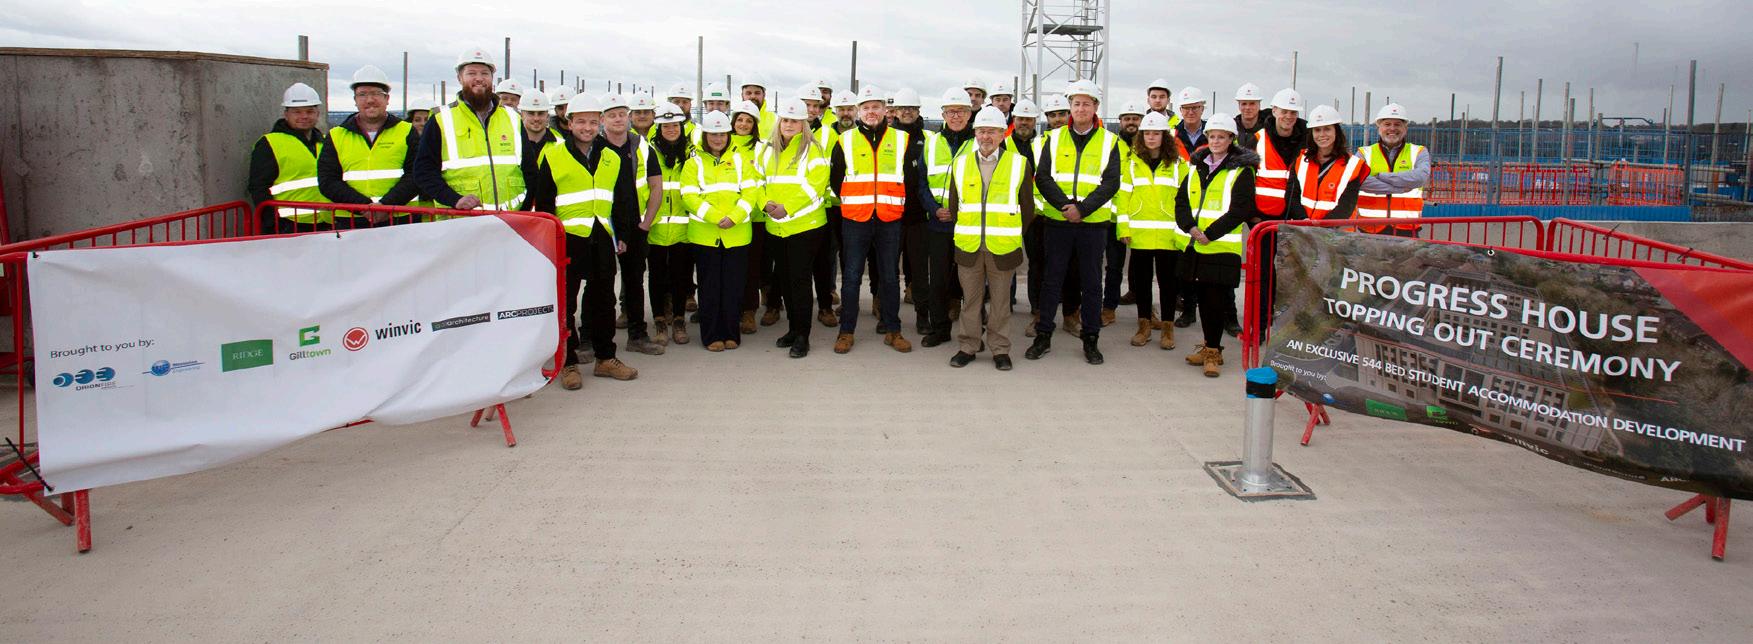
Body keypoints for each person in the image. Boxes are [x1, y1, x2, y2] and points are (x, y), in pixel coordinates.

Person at [525, 93, 639, 390]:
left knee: (604, 301)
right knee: (566, 304)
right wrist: (548, 241)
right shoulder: (553, 155)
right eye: (581, 122)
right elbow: (544, 203)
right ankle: (568, 362)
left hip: (601, 236)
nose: (587, 128)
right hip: (567, 238)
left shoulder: (611, 156)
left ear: (599, 122)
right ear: (569, 122)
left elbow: (622, 199)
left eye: (592, 122)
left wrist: (623, 235)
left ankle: (606, 358)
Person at [1025, 80, 1122, 366]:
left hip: (1093, 224)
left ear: (1095, 107)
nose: (1081, 108)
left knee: (1091, 283)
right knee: (1052, 280)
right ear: (1070, 107)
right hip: (1058, 222)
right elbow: (1043, 177)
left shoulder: (1110, 141)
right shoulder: (1053, 139)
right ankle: (1043, 335)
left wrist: (1083, 209)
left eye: (1086, 104)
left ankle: (1090, 338)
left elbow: (1111, 182)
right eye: (1076, 103)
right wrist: (1065, 207)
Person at [829, 85, 930, 354]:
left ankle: (893, 330)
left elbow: (911, 179)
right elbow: (836, 180)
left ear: (886, 110)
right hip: (855, 219)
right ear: (859, 111)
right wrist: (856, 201)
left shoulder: (901, 139)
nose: (871, 112)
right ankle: (846, 331)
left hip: (889, 218)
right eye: (866, 107)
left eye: (876, 107)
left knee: (889, 277)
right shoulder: (845, 140)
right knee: (851, 277)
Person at [945, 106, 1035, 371]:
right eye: (982, 131)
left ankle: (1000, 349)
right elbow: (954, 207)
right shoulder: (960, 164)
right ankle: (968, 346)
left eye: (992, 131)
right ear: (975, 133)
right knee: (970, 301)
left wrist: (1010, 233)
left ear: (1002, 134)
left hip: (1002, 247)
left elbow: (1027, 209)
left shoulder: (1018, 164)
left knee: (1000, 303)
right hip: (969, 246)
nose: (986, 137)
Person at [1178, 116, 1258, 378]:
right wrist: (1190, 227)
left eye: (1221, 137)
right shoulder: (1196, 168)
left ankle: (1213, 352)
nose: (1215, 141)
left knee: (1216, 301)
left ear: (1231, 139)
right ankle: (1209, 345)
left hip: (1221, 246)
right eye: (1212, 136)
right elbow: (1181, 202)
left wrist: (1209, 234)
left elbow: (1240, 210)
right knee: (1203, 300)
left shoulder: (1241, 171)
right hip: (1197, 244)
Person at [682, 110, 762, 351]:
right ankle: (711, 335)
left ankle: (730, 333)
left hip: (736, 235)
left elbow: (751, 192)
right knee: (709, 288)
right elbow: (689, 196)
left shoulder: (740, 161)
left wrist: (735, 217)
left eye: (722, 134)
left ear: (728, 135)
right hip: (706, 235)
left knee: (733, 287)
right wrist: (716, 218)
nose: (718, 139)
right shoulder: (693, 163)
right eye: (713, 134)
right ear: (705, 136)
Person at [758, 98, 832, 358]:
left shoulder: (813, 149)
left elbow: (816, 185)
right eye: (785, 120)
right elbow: (756, 182)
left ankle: (803, 335)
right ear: (779, 122)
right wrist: (764, 203)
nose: (789, 125)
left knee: (799, 282)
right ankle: (792, 329)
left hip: (805, 226)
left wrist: (787, 207)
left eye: (795, 121)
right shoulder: (767, 150)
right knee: (786, 281)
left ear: (803, 124)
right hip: (776, 226)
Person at [412, 47, 526, 214]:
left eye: (485, 73)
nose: (479, 78)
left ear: (492, 78)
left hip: (510, 221)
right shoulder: (440, 119)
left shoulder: (513, 118)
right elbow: (423, 171)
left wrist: (525, 212)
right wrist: (454, 199)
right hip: (461, 222)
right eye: (471, 73)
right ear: (460, 78)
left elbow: (529, 170)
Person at [1115, 111, 1190, 350]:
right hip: (1140, 235)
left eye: (1155, 133)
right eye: (1147, 133)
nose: (1150, 137)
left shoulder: (1179, 166)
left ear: (1164, 136)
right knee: (1142, 284)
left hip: (1169, 236)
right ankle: (1144, 326)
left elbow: (1187, 200)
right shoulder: (1132, 164)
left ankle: (1167, 329)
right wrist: (1123, 227)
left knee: (1168, 284)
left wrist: (1183, 233)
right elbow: (1123, 198)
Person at [600, 94, 668, 356]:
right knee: (600, 285)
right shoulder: (595, 146)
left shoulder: (642, 147)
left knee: (634, 282)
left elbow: (656, 187)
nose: (618, 119)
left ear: (627, 117)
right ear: (603, 119)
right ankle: (594, 339)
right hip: (604, 227)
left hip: (635, 226)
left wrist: (646, 224)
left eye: (621, 114)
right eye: (612, 115)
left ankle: (638, 336)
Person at [318, 66, 422, 229]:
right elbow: (328, 181)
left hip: (400, 219)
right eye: (363, 94)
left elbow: (416, 174)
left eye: (376, 93)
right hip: (351, 221)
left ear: (387, 98)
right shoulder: (336, 135)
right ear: (355, 100)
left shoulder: (407, 131)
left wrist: (386, 206)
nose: (370, 100)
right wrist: (363, 207)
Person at [910, 88, 974, 347]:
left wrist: (958, 211)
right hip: (938, 223)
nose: (955, 116)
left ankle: (973, 331)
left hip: (969, 224)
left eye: (961, 111)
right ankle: (939, 328)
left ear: (969, 114)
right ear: (943, 114)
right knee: (938, 280)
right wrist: (934, 208)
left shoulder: (980, 142)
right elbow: (922, 182)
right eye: (950, 111)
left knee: (971, 282)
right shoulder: (932, 142)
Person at [1020, 95, 1081, 338]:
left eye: (1062, 114)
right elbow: (1028, 181)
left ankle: (1070, 315)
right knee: (1038, 267)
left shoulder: (1079, 143)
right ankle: (1039, 314)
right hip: (1040, 217)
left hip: (1071, 216)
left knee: (1072, 268)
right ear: (1046, 118)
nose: (1057, 119)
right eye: (1052, 115)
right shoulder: (1037, 144)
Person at [249, 82, 332, 234]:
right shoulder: (270, 143)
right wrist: (273, 223)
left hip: (326, 222)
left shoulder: (326, 142)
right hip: (288, 226)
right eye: (297, 112)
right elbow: (258, 187)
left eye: (309, 111)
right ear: (286, 114)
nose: (304, 116)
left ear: (317, 114)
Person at [648, 103, 696, 346]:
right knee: (657, 276)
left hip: (683, 226)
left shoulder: (691, 153)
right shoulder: (648, 152)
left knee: (680, 276)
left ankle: (678, 320)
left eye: (675, 125)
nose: (671, 129)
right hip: (655, 225)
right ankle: (659, 320)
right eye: (665, 126)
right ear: (658, 128)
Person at [1102, 100, 1147, 325]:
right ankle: (1108, 308)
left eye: (1135, 119)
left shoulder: (1149, 147)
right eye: (1127, 119)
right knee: (1113, 266)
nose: (1131, 122)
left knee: (1141, 269)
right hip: (1111, 218)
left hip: (1139, 218)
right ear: (1120, 121)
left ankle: (1146, 312)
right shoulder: (1110, 145)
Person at [729, 99, 772, 334]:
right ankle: (731, 307)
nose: (743, 124)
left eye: (748, 121)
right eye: (740, 120)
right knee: (732, 266)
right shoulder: (723, 144)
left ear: (755, 125)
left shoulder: (763, 148)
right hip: (731, 216)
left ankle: (748, 311)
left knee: (752, 267)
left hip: (755, 217)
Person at [1355, 103, 1429, 236]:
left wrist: (1380, 176)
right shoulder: (1364, 153)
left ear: (1405, 128)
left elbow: (1420, 178)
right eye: (1387, 124)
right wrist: (1398, 188)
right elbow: (1358, 180)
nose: (1392, 128)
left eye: (1397, 124)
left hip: (1407, 228)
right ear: (1379, 127)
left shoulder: (1419, 151)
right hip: (1370, 229)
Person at [1290, 105, 1369, 222]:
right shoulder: (1301, 161)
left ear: (1336, 131)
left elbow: (1347, 205)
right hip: (1304, 229)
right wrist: (1303, 219)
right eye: (1317, 130)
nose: (1322, 134)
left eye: (1327, 129)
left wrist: (1320, 228)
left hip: (1338, 230)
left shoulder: (1352, 165)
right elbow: (1292, 196)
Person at [1173, 87, 1208, 159]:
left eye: (1194, 107)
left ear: (1202, 109)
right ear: (1181, 110)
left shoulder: (1212, 134)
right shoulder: (1172, 135)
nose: (1191, 112)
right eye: (1186, 108)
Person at [740, 75, 776, 139]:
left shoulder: (774, 119)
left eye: (757, 93)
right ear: (742, 95)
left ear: (764, 95)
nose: (753, 96)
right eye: (748, 93)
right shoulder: (734, 120)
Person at [1233, 83, 1267, 148]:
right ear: (1239, 105)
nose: (1248, 107)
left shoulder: (1270, 128)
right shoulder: (1231, 127)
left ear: (1259, 105)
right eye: (1244, 104)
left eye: (1252, 103)